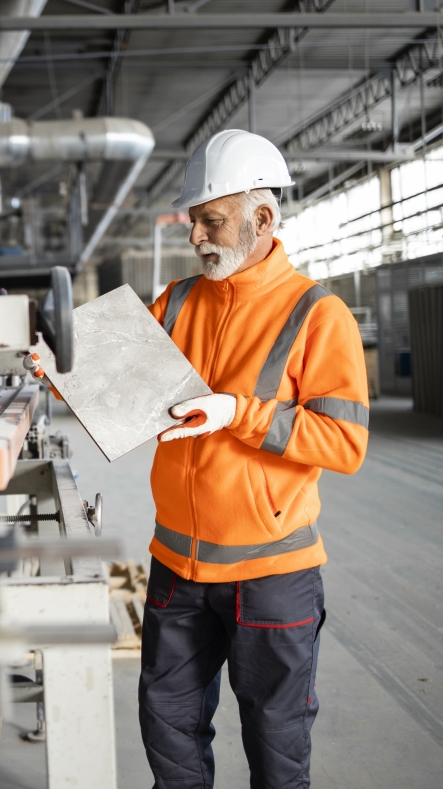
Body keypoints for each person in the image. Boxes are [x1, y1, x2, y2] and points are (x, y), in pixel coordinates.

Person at [33, 129, 370, 788]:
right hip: (177, 568)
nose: (196, 238)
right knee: (170, 732)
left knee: (276, 744)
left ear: (262, 219)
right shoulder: (178, 301)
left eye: (211, 221)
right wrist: (45, 355)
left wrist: (236, 412)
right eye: (195, 222)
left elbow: (344, 444)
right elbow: (104, 383)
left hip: (271, 576)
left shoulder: (318, 315)